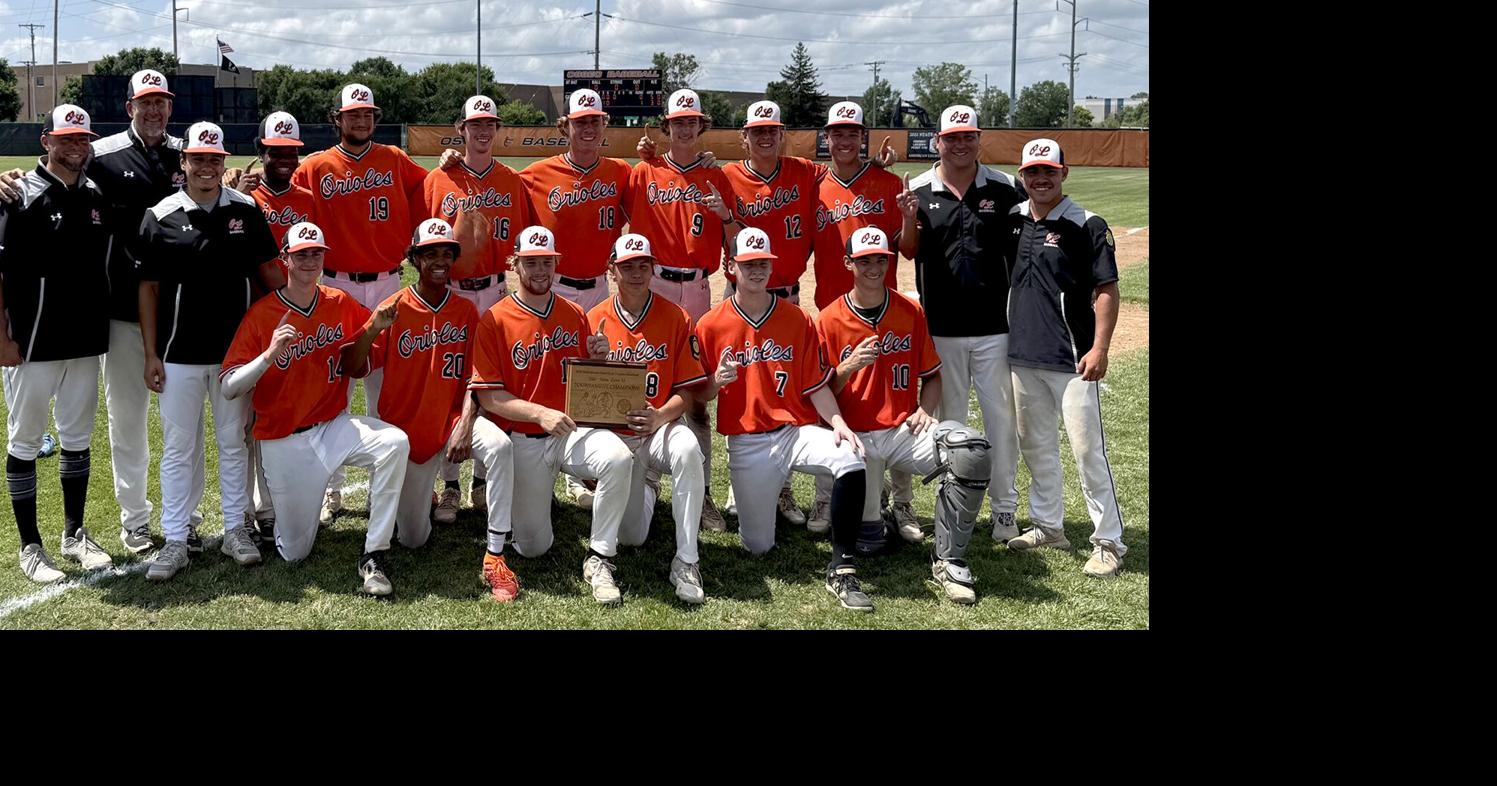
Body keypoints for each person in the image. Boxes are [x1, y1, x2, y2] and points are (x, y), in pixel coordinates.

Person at [0, 69, 193, 555]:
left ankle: (185, 518)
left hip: (180, 312)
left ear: (170, 107)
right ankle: (136, 522)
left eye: (162, 102)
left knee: (184, 424)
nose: (154, 110)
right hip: (120, 313)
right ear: (129, 106)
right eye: (144, 102)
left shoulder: (184, 156)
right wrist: (7, 179)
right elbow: (41, 182)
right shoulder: (101, 156)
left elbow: (212, 189)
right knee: (127, 422)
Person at [221, 222, 410, 596]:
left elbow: (362, 356)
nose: (310, 260)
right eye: (302, 254)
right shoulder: (263, 314)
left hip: (331, 428)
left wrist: (375, 327)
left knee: (394, 442)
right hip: (284, 442)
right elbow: (229, 386)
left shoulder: (339, 303)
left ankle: (374, 553)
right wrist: (269, 355)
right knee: (295, 553)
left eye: (316, 253)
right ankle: (277, 518)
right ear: (285, 259)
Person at [694, 228, 874, 612]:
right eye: (749, 264)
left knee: (850, 457)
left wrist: (839, 422)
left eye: (763, 264)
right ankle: (766, 500)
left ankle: (842, 567)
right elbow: (702, 396)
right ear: (732, 268)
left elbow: (814, 386)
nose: (757, 271)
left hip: (795, 432)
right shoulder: (710, 325)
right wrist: (715, 382)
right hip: (747, 442)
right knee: (757, 546)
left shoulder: (797, 319)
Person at [340, 218, 519, 600]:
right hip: (407, 432)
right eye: (429, 253)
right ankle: (425, 499)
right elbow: (353, 368)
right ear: (414, 260)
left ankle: (496, 552)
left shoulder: (467, 312)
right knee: (413, 539)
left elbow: (479, 378)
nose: (439, 260)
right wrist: (372, 329)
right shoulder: (393, 308)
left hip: (453, 417)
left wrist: (466, 424)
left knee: (500, 448)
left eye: (446, 253)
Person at [135, 121, 281, 581]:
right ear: (184, 163)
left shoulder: (246, 210)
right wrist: (150, 352)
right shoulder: (160, 215)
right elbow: (149, 289)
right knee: (180, 448)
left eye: (214, 159)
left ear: (224, 164)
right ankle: (177, 538)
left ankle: (236, 528)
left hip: (233, 354)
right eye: (197, 159)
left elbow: (269, 278)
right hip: (178, 353)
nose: (206, 167)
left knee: (233, 442)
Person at [815, 227, 993, 603]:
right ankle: (874, 516)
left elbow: (932, 376)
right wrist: (847, 367)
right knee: (869, 542)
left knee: (970, 451)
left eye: (881, 259)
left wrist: (926, 410)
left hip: (900, 432)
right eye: (865, 261)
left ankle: (949, 559)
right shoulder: (828, 319)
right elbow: (819, 396)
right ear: (849, 263)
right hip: (854, 437)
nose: (874, 268)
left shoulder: (909, 310)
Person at [467, 226, 635, 605]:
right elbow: (491, 399)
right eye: (532, 262)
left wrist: (598, 358)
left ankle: (600, 556)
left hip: (571, 431)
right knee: (533, 547)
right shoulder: (494, 319)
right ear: (515, 265)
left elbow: (587, 379)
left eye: (547, 261)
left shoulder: (575, 313)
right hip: (525, 438)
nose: (541, 269)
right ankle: (528, 506)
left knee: (618, 457)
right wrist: (539, 412)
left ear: (556, 264)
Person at [292, 83, 428, 526]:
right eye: (353, 114)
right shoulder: (314, 166)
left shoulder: (394, 159)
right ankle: (328, 489)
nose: (361, 120)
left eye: (368, 114)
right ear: (338, 119)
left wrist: (447, 161)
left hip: (388, 280)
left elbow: (433, 188)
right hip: (337, 284)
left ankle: (380, 485)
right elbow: (283, 200)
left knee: (383, 386)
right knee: (335, 384)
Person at [899, 104, 1026, 543]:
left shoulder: (1007, 188)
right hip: (941, 329)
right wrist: (904, 216)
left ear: (978, 139)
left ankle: (1005, 510)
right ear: (938, 141)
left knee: (1000, 423)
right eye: (951, 137)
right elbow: (909, 251)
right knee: (951, 426)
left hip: (995, 327)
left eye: (967, 136)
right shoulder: (918, 188)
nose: (959, 144)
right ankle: (954, 508)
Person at [0, 105, 113, 581]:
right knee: (25, 441)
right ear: (46, 140)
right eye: (66, 139)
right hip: (31, 342)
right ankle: (30, 546)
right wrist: (2, 339)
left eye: (83, 139)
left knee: (77, 439)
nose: (76, 147)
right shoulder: (17, 193)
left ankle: (73, 534)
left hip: (84, 340)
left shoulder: (94, 194)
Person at [1005, 138, 1127, 578]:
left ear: (1064, 174)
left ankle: (1109, 540)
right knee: (1036, 448)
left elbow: (1107, 290)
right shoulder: (1013, 220)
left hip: (1073, 359)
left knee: (1087, 451)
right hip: (1022, 356)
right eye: (1032, 172)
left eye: (1048, 172)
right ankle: (1047, 526)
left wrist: (1100, 348)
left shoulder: (1087, 224)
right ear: (1022, 177)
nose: (1040, 179)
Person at [624, 88, 738, 531]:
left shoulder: (718, 176)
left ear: (701, 126)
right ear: (667, 126)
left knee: (695, 393)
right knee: (646, 380)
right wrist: (645, 157)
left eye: (693, 121)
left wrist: (725, 214)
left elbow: (736, 242)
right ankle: (643, 477)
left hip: (697, 288)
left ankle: (703, 491)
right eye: (678, 121)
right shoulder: (644, 172)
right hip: (652, 285)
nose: (685, 127)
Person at [422, 95, 535, 523]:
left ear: (497, 129)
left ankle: (482, 481)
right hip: (450, 293)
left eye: (490, 124)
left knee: (494, 380)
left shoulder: (512, 180)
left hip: (494, 291)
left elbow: (524, 243)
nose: (483, 131)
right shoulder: (440, 178)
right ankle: (449, 483)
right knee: (449, 379)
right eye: (475, 124)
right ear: (461, 128)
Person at [587, 233, 710, 604]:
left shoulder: (676, 316)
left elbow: (688, 392)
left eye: (643, 265)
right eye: (627, 267)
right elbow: (583, 395)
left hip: (659, 429)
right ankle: (645, 487)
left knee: (688, 447)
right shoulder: (594, 318)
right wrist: (595, 361)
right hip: (616, 437)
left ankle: (687, 559)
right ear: (612, 271)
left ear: (653, 268)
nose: (637, 273)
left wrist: (660, 417)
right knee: (632, 537)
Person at [228, 110, 319, 542]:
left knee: (279, 410)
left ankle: (270, 507)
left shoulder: (306, 199)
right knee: (244, 420)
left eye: (291, 152)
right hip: (251, 315)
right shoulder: (244, 198)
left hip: (294, 318)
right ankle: (245, 509)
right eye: (275, 151)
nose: (284, 158)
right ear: (260, 152)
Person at [520, 88, 633, 312]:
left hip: (600, 286)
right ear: (564, 126)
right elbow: (495, 186)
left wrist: (701, 156)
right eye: (580, 122)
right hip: (554, 286)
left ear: (604, 125)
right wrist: (456, 161)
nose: (589, 128)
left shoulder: (621, 171)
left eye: (595, 121)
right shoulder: (536, 174)